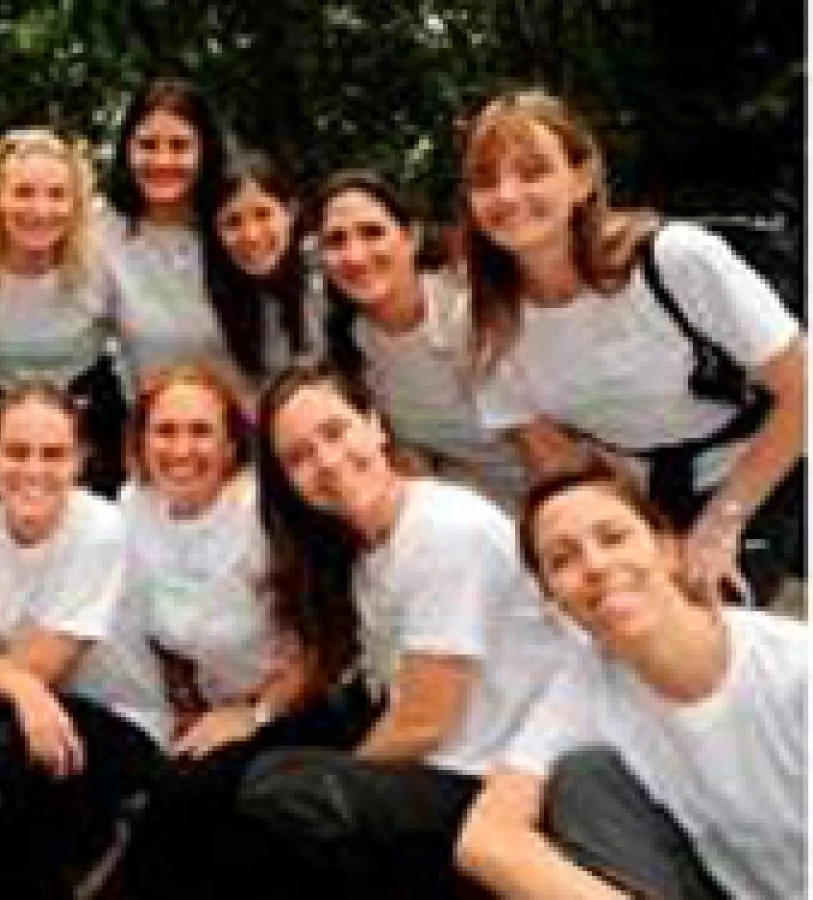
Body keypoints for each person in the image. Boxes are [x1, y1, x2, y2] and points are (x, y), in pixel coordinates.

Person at [234, 361, 573, 897]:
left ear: (375, 425)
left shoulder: (444, 530)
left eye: (335, 432)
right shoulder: (363, 550)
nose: (327, 462)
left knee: (285, 794)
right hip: (444, 759)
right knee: (245, 770)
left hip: (497, 776)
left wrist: (343, 780)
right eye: (299, 457)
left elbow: (423, 723)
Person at [458, 87, 805, 602]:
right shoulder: (488, 321)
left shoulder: (675, 260)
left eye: (533, 171)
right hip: (635, 498)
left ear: (582, 179)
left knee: (709, 616)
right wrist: (640, 539)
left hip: (753, 475)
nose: (507, 195)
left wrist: (721, 524)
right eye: (485, 180)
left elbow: (802, 390)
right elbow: (555, 462)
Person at [455, 457, 806, 899]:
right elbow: (485, 837)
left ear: (668, 550)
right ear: (553, 602)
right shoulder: (585, 683)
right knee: (583, 779)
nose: (595, 566)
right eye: (562, 560)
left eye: (613, 538)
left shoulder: (792, 667)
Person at [115, 365, 379, 899]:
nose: (181, 449)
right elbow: (159, 632)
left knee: (185, 798)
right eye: (165, 431)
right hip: (212, 710)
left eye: (201, 432)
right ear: (140, 442)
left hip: (307, 703)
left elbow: (330, 637)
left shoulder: (266, 514)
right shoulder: (130, 511)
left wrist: (255, 714)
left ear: (233, 444)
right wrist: (186, 705)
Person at [0, 379, 159, 897]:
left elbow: (45, 666)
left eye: (53, 454)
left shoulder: (100, 530)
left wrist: (10, 682)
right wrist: (18, 686)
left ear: (80, 460)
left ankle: (104, 848)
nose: (33, 470)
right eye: (17, 452)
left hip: (118, 718)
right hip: (18, 718)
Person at [314, 169, 528, 504]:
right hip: (467, 508)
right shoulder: (355, 345)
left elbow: (551, 452)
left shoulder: (469, 315)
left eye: (372, 232)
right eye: (336, 240)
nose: (355, 256)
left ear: (411, 236)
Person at [0, 129, 127, 494]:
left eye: (56, 195)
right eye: (23, 193)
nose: (40, 210)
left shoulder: (100, 259)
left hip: (89, 416)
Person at [101, 76, 258, 398]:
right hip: (153, 423)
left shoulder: (240, 227)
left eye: (179, 146)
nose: (162, 161)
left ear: (205, 150)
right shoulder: (101, 233)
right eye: (148, 145)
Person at [204, 146, 317, 376]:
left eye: (263, 214)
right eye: (233, 222)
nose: (251, 236)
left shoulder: (327, 279)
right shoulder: (208, 305)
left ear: (291, 212)